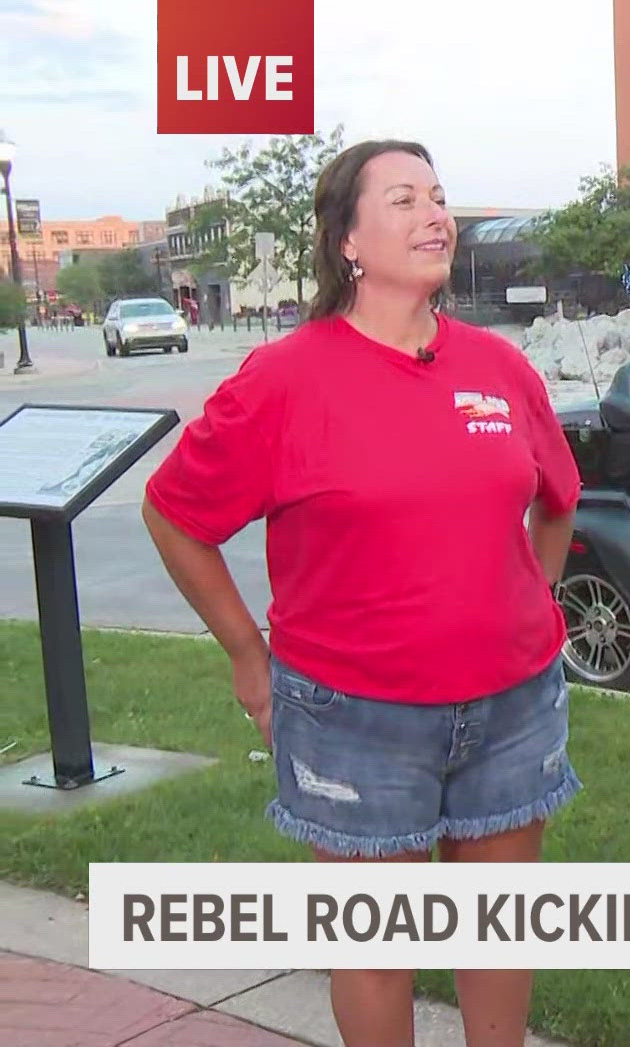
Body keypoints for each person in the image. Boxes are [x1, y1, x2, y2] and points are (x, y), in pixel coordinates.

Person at [141, 139, 582, 1047]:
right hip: (354, 718)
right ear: (347, 241)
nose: (434, 215)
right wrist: (245, 655)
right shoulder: (286, 380)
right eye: (404, 200)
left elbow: (557, 502)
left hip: (511, 710)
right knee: (377, 949)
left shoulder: (498, 369)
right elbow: (175, 513)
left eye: (440, 196)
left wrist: (521, 608)